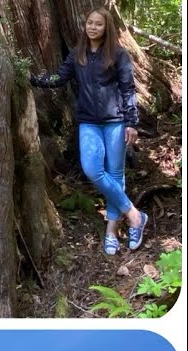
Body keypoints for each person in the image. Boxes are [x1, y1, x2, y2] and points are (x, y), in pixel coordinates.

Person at [30, 8, 147, 256]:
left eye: (98, 24)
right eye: (90, 23)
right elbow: (59, 78)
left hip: (115, 121)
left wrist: (132, 122)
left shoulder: (118, 54)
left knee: (115, 174)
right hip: (89, 123)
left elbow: (128, 89)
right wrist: (31, 79)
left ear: (107, 28)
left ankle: (111, 232)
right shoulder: (77, 55)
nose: (93, 27)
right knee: (92, 168)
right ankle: (135, 216)